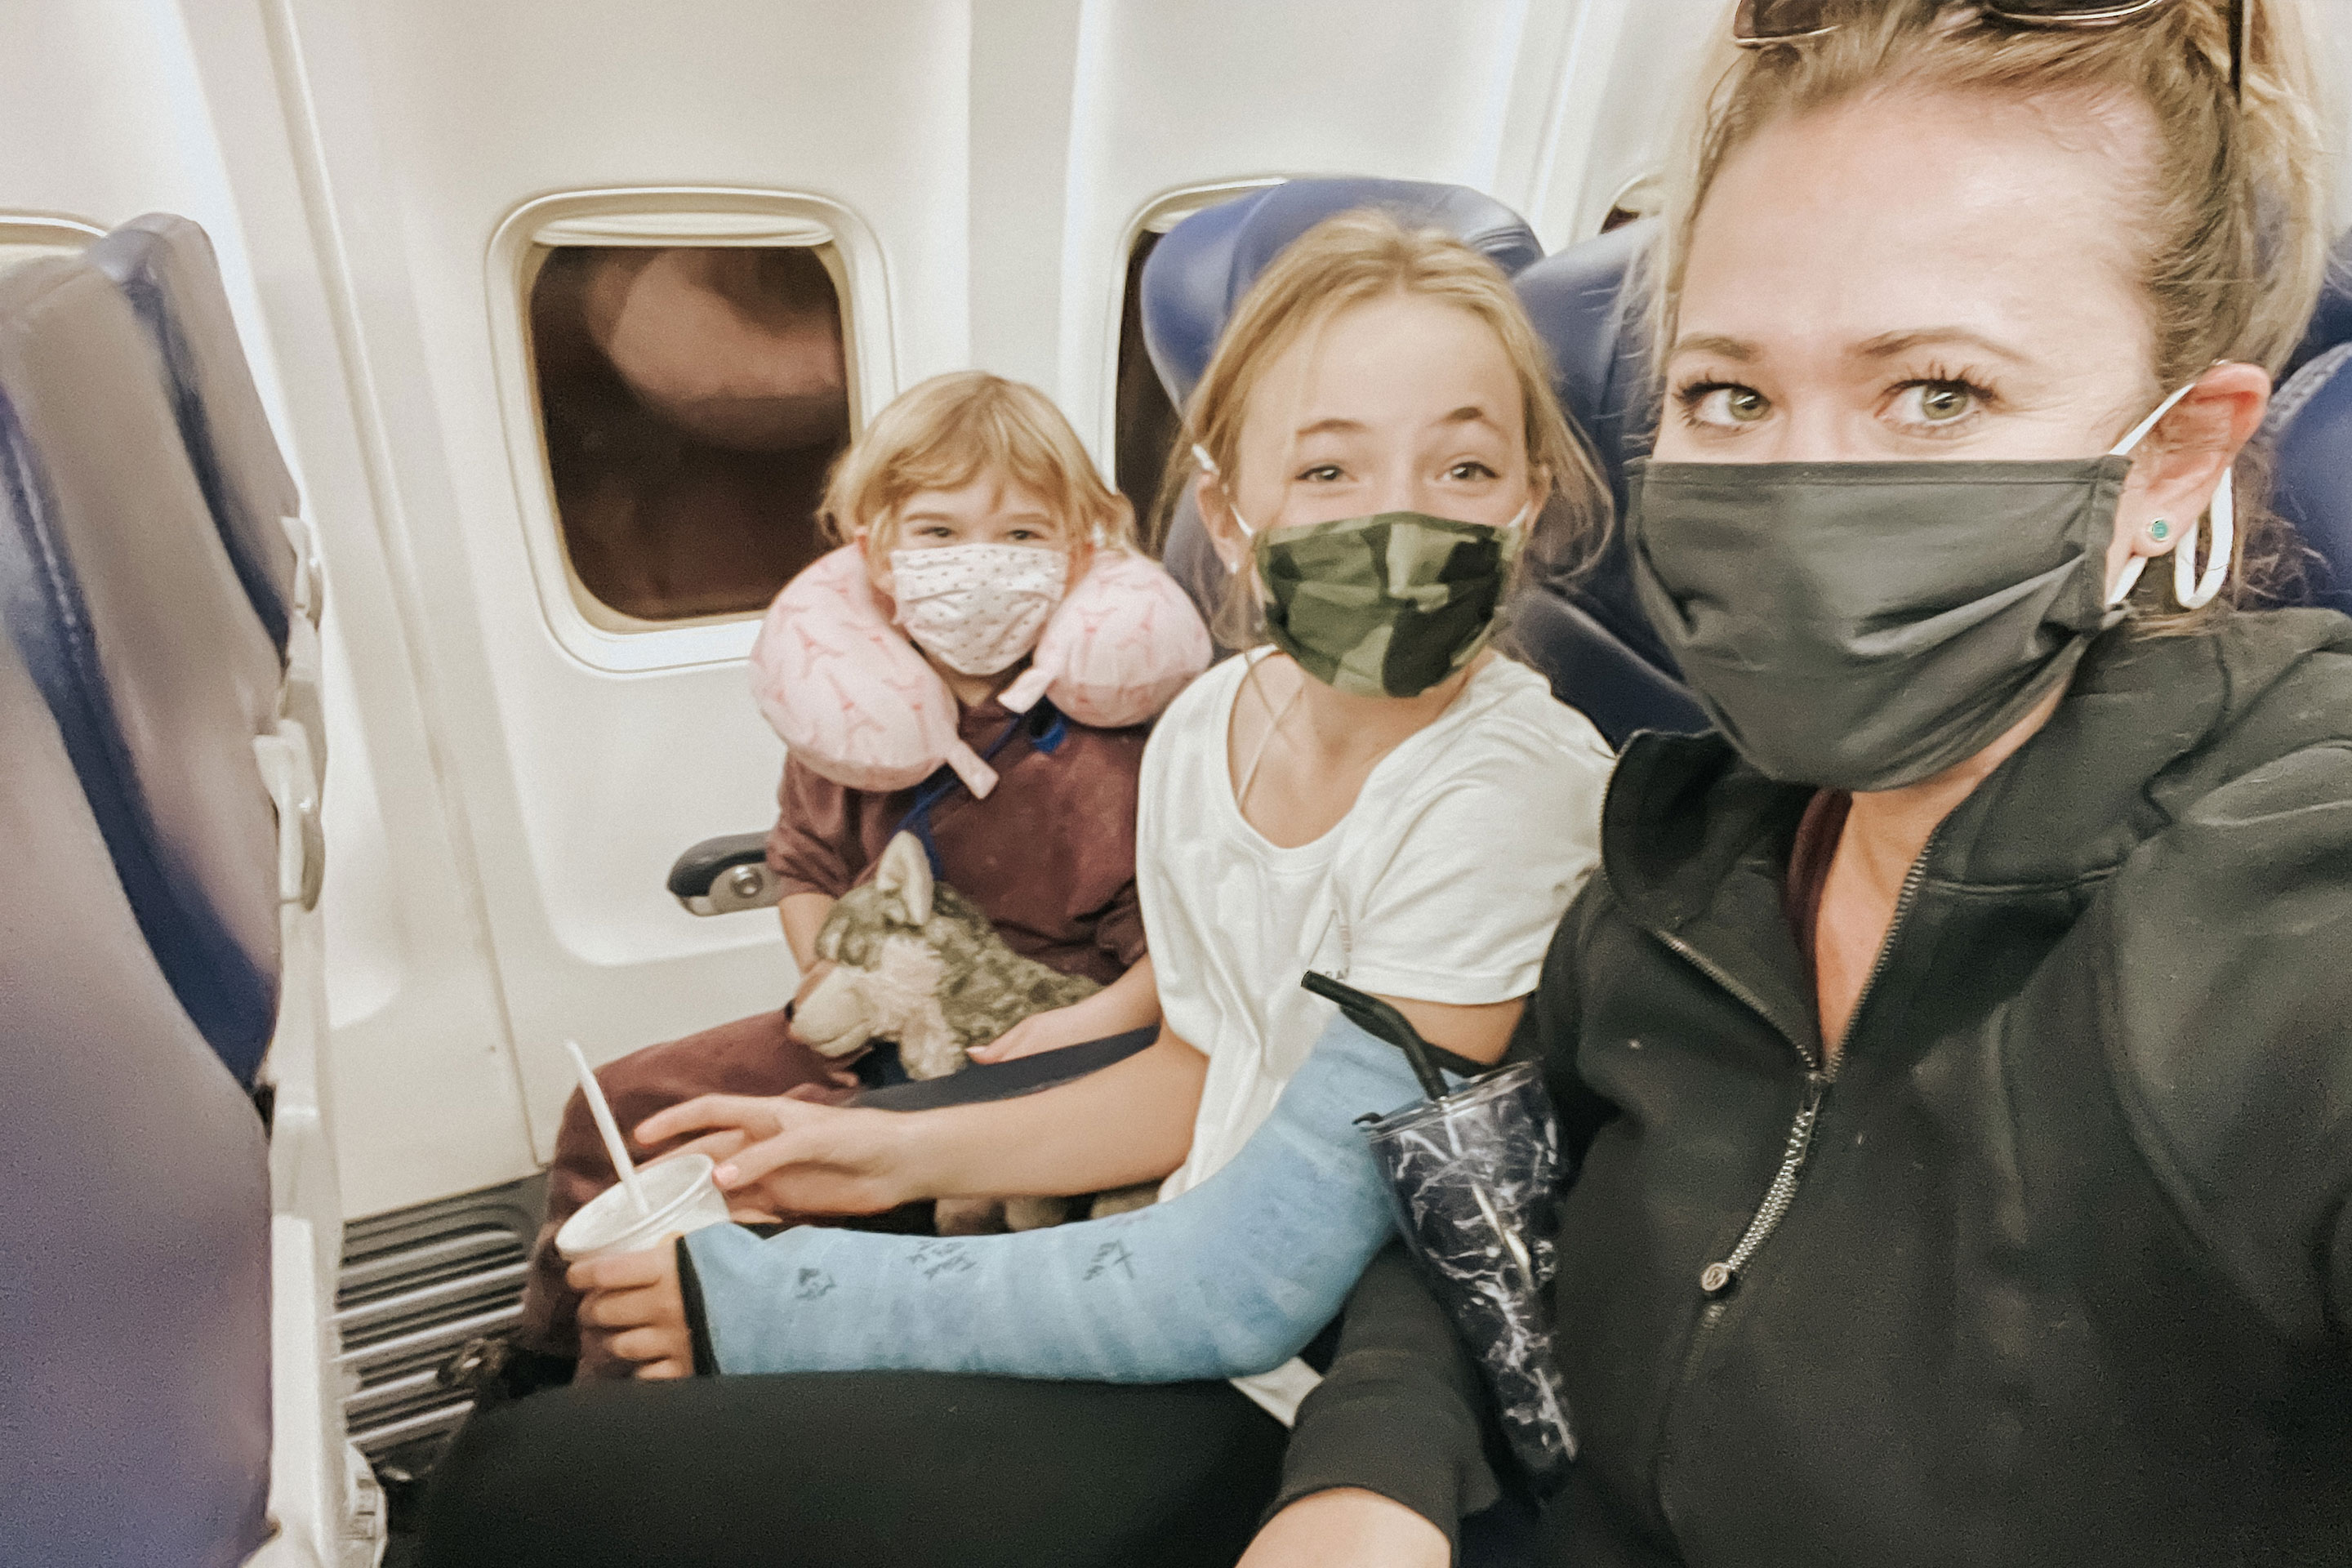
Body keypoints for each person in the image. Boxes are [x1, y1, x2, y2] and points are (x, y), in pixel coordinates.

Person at [1248, 3, 2350, 1566]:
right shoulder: (1683, 847)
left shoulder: (2284, 919)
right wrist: (1368, 1473)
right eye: (1730, 396)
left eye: (1940, 393)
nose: (1794, 488)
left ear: (2172, 462)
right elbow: (1485, 1211)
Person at [415, 211, 1616, 1568]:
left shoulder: (1509, 794)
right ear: (1230, 516)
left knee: (532, 1489)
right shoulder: (1215, 719)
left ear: (1525, 501)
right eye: (1328, 469)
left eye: (1463, 467)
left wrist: (785, 1298)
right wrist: (873, 1155)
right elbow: (1198, 1070)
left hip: (1314, 1384)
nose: (1398, 522)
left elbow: (1254, 1278)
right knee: (551, 1471)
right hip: (1174, 1269)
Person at [501, 371, 1171, 1385]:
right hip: (875, 1023)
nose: (977, 562)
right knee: (624, 1107)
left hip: (1036, 1046)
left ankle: (633, 1405)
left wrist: (1082, 1027)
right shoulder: (855, 714)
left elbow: (1173, 953)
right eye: (938, 532)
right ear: (877, 551)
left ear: (1080, 554)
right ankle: (545, 1365)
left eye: (1021, 535)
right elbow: (804, 867)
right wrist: (830, 978)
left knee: (737, 1180)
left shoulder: (1114, 749)